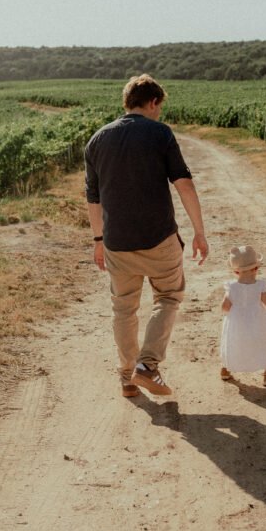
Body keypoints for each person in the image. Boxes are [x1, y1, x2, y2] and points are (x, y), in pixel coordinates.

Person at [85, 74, 209, 398]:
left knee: (123, 309)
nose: (160, 113)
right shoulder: (160, 133)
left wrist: (98, 241)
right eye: (160, 107)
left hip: (116, 243)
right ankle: (147, 366)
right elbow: (183, 183)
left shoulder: (96, 141)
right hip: (159, 239)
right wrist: (199, 232)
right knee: (168, 298)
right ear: (153, 102)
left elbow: (93, 199)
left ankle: (127, 377)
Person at [219, 246, 266, 387]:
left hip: (237, 323)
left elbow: (224, 306)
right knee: (265, 343)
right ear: (256, 268)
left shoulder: (232, 287)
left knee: (233, 343)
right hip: (259, 322)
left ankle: (226, 368)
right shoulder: (260, 285)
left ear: (236, 271)